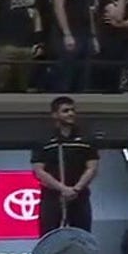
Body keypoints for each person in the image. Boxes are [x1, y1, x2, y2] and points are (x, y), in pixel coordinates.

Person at [32, 96, 98, 238]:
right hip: (52, 198)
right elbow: (38, 170)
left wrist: (75, 189)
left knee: (82, 238)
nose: (71, 113)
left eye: (73, 110)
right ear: (55, 115)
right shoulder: (43, 140)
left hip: (79, 197)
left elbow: (92, 167)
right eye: (65, 111)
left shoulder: (86, 139)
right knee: (49, 238)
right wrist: (63, 189)